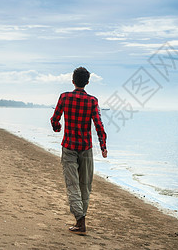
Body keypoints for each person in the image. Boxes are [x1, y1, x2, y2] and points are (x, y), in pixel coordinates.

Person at [50, 67, 107, 235]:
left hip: (69, 147)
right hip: (86, 149)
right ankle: (80, 220)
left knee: (73, 185)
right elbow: (99, 125)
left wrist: (57, 127)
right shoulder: (92, 101)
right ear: (87, 82)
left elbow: (54, 119)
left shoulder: (65, 97)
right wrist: (103, 146)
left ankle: (80, 221)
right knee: (85, 186)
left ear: (72, 81)